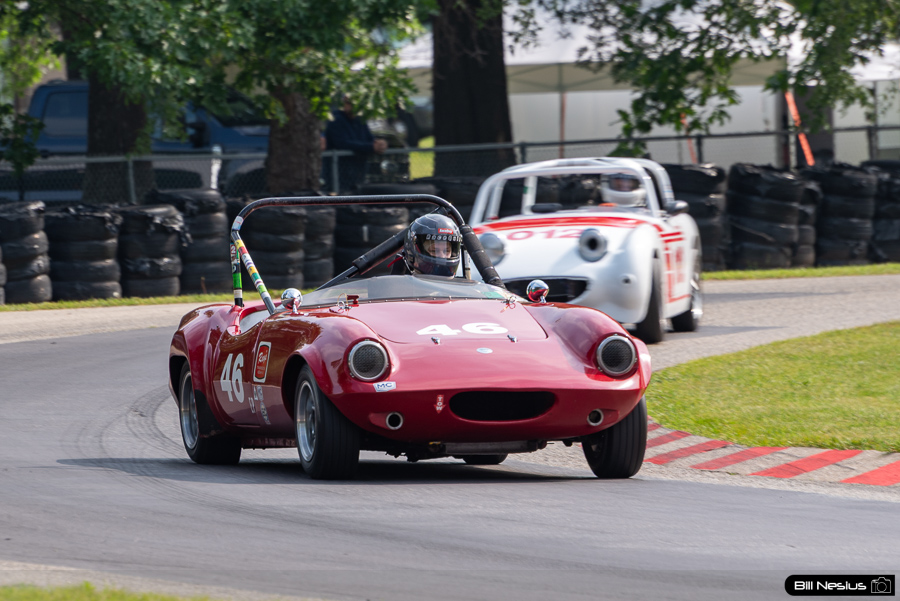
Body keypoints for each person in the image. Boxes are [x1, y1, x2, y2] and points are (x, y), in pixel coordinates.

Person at [323, 95, 388, 193]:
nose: (353, 107)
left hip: (358, 173)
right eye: (349, 103)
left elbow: (369, 138)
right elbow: (342, 143)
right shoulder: (335, 120)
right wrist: (371, 147)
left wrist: (379, 143)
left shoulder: (360, 120)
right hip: (338, 175)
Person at [390, 214, 462, 277]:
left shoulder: (460, 288)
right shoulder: (401, 287)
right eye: (434, 251)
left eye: (446, 251)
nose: (442, 256)